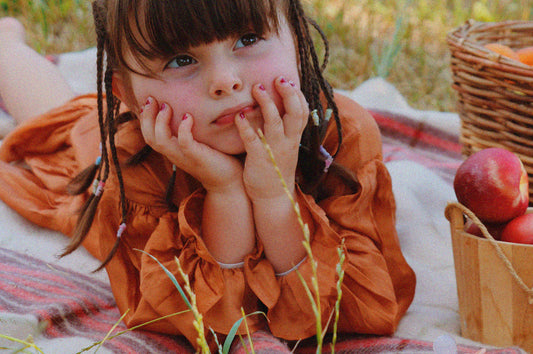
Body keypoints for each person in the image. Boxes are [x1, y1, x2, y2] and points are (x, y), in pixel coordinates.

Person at [0, 0, 416, 351]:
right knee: (61, 124)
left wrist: (274, 193)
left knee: (67, 114)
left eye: (248, 39)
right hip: (142, 151)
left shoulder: (337, 135)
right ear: (126, 94)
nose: (225, 81)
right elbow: (208, 321)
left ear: (295, 33)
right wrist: (227, 190)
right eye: (182, 60)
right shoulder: (131, 163)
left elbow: (356, 302)